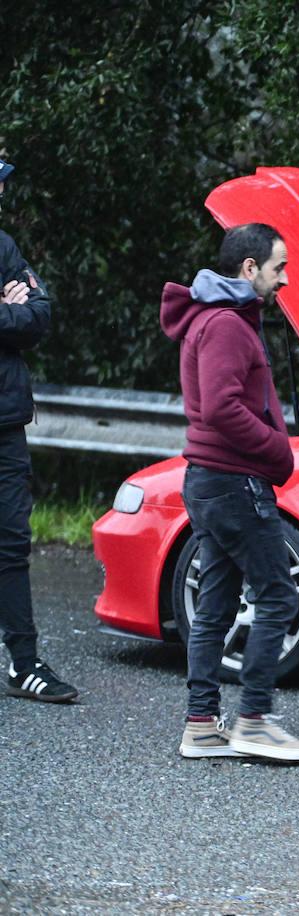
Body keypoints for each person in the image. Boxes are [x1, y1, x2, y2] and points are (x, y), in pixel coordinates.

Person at [161, 223, 299, 762]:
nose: (285, 279)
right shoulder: (226, 325)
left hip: (211, 479)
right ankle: (254, 719)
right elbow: (222, 408)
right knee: (277, 594)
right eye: (278, 267)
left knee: (216, 605)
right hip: (232, 481)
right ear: (249, 269)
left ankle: (202, 726)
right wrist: (279, 451)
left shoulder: (218, 318)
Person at [0, 157, 78, 704]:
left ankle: (23, 663)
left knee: (10, 544)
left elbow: (41, 316)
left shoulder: (3, 247)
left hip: (5, 424)